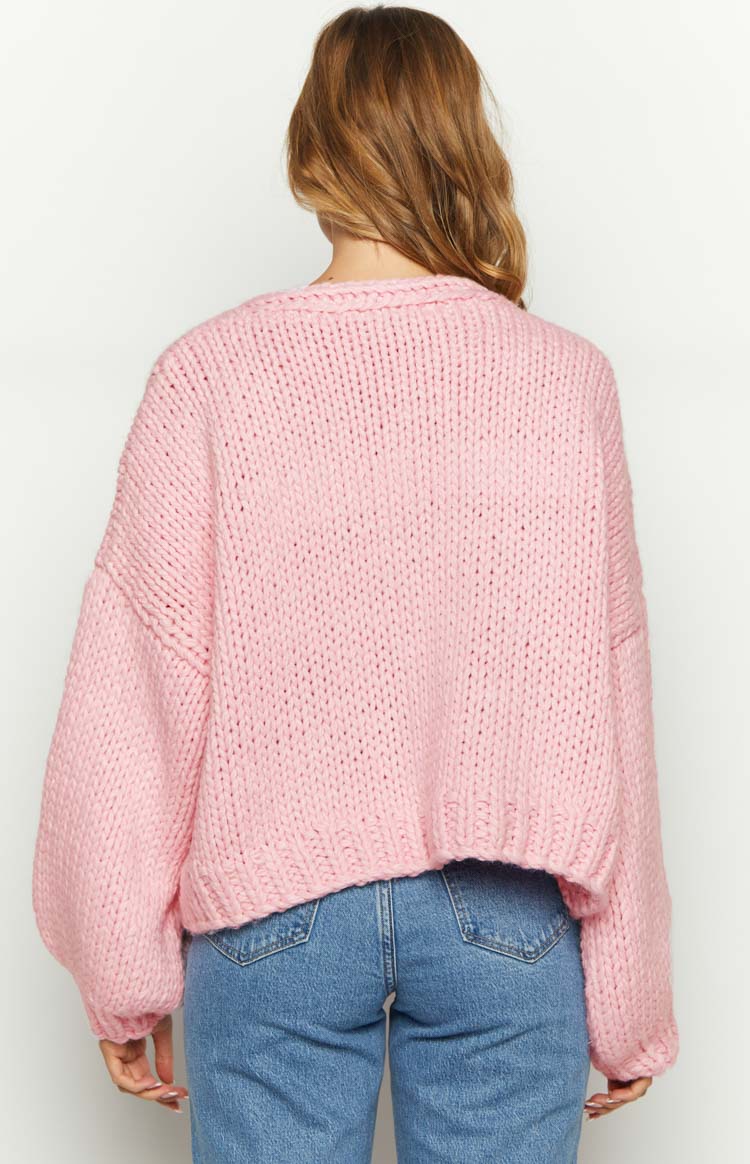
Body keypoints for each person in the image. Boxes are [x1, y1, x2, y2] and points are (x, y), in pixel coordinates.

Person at [31, 5, 679, 1162]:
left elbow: (139, 685)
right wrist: (630, 999)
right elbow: (610, 695)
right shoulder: (564, 382)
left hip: (272, 914)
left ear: (310, 152)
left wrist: (121, 976)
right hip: (506, 922)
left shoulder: (211, 376)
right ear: (462, 146)